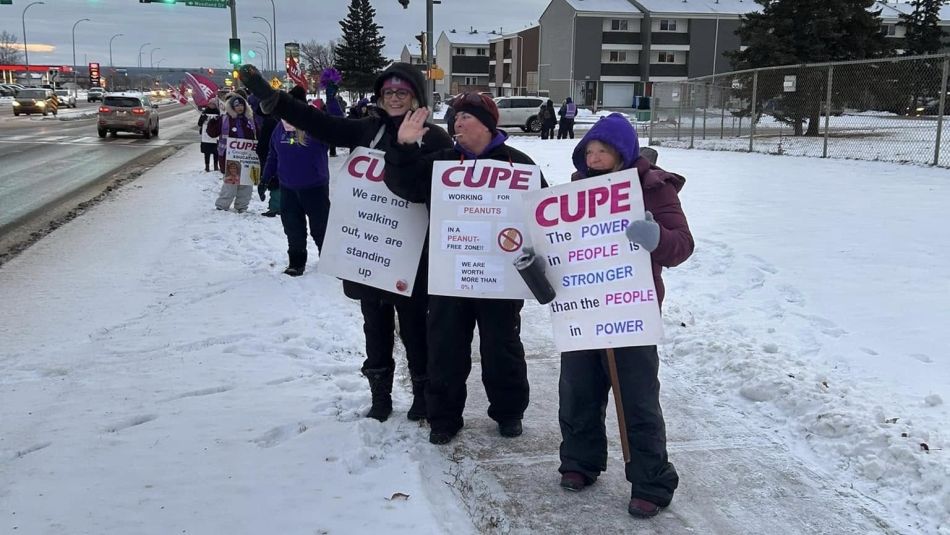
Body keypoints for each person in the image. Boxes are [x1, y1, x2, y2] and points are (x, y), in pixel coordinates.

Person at [239, 62, 453, 423]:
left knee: (416, 329)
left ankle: (422, 393)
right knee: (375, 326)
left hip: (414, 253)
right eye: (389, 92)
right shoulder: (367, 130)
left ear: (416, 95)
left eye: (402, 92)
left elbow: (442, 192)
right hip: (369, 249)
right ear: (380, 97)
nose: (395, 98)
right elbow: (320, 124)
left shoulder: (434, 138)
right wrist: (273, 99)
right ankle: (380, 394)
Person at [384, 94, 544, 445]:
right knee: (445, 349)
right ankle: (443, 417)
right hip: (449, 276)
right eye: (454, 117)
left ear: (487, 124)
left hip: (500, 280)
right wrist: (405, 148)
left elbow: (542, 217)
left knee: (502, 348)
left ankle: (509, 411)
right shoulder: (440, 163)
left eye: (465, 117)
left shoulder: (520, 165)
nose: (456, 122)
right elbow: (404, 186)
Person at [556, 113, 693, 519]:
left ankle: (651, 480)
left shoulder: (654, 188)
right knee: (578, 391)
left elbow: (681, 245)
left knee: (637, 399)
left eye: (603, 151)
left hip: (630, 310)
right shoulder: (576, 189)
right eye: (589, 151)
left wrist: (657, 239)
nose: (594, 158)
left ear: (623, 152)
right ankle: (579, 461)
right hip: (583, 307)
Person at [260, 85, 331, 277]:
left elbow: (337, 125)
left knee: (321, 228)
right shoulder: (279, 129)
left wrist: (331, 95)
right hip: (288, 189)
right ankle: (296, 262)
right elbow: (273, 156)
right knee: (293, 228)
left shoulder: (315, 125)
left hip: (315, 188)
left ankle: (329, 260)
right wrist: (265, 178)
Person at [210, 93, 257, 212]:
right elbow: (212, 133)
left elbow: (258, 135)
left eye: (242, 105)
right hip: (230, 156)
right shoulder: (224, 119)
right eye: (237, 105)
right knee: (231, 183)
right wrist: (212, 123)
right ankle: (222, 205)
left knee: (246, 184)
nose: (240, 108)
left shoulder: (250, 120)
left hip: (248, 157)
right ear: (232, 107)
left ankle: (242, 206)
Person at [251, 94, 280, 217]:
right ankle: (275, 205)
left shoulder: (270, 122)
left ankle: (275, 206)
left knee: (275, 180)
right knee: (276, 180)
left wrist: (260, 151)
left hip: (270, 154)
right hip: (271, 153)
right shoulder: (274, 120)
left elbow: (265, 141)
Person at [198, 99, 220, 172]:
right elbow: (199, 124)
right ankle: (207, 166)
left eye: (213, 104)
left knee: (216, 152)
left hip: (215, 136)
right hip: (206, 136)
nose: (211, 105)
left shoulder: (218, 112)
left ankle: (216, 166)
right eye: (210, 104)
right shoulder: (204, 113)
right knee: (206, 152)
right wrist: (203, 119)